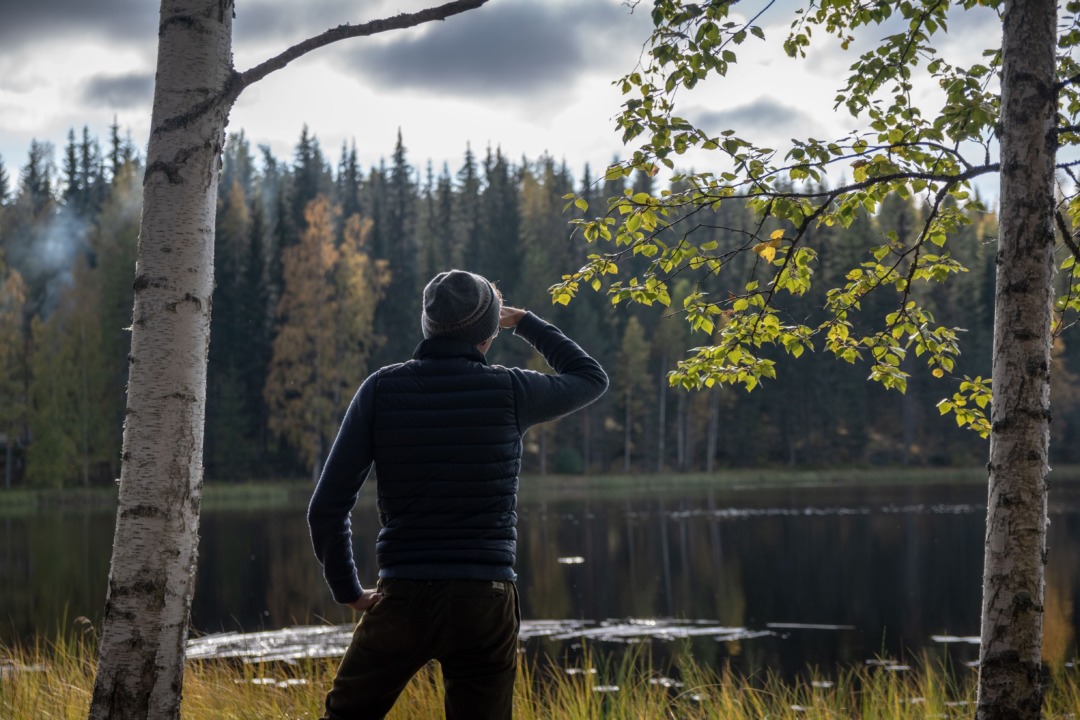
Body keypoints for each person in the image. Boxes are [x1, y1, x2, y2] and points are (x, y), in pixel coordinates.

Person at [308, 269, 608, 720]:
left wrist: (349, 591)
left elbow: (327, 508)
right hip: (484, 599)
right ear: (487, 335)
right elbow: (589, 377)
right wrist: (525, 321)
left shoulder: (382, 389)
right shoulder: (511, 389)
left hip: (402, 595)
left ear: (427, 326)